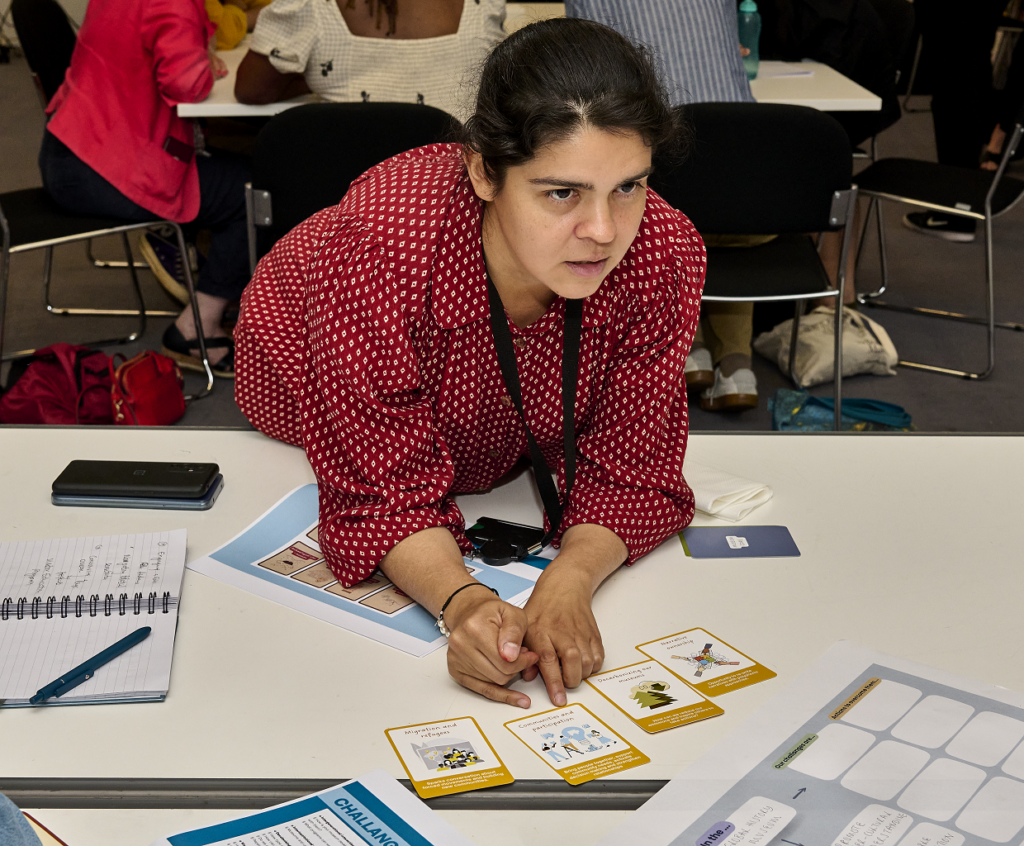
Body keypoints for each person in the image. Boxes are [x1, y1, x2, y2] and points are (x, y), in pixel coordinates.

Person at [234, 18, 705, 708]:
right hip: (312, 385)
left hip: (502, 443)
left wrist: (568, 581)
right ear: (485, 171)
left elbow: (633, 464)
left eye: (627, 186)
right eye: (561, 193)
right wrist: (462, 602)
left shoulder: (663, 249)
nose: (604, 231)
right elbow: (379, 490)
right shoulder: (385, 241)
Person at [38, 0, 251, 377]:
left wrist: (196, 56)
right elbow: (186, 85)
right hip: (105, 167)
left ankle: (202, 268)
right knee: (251, 189)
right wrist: (199, 63)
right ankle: (197, 329)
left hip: (71, 146)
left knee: (226, 169)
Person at [565, 0, 759, 412]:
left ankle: (686, 349)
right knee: (727, 221)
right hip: (751, 174)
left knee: (636, 217)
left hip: (667, 178)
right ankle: (737, 367)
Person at [233, 0, 505, 121]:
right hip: (452, 205)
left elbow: (251, 90)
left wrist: (318, 75)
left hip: (350, 203)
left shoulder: (310, 5)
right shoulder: (482, 6)